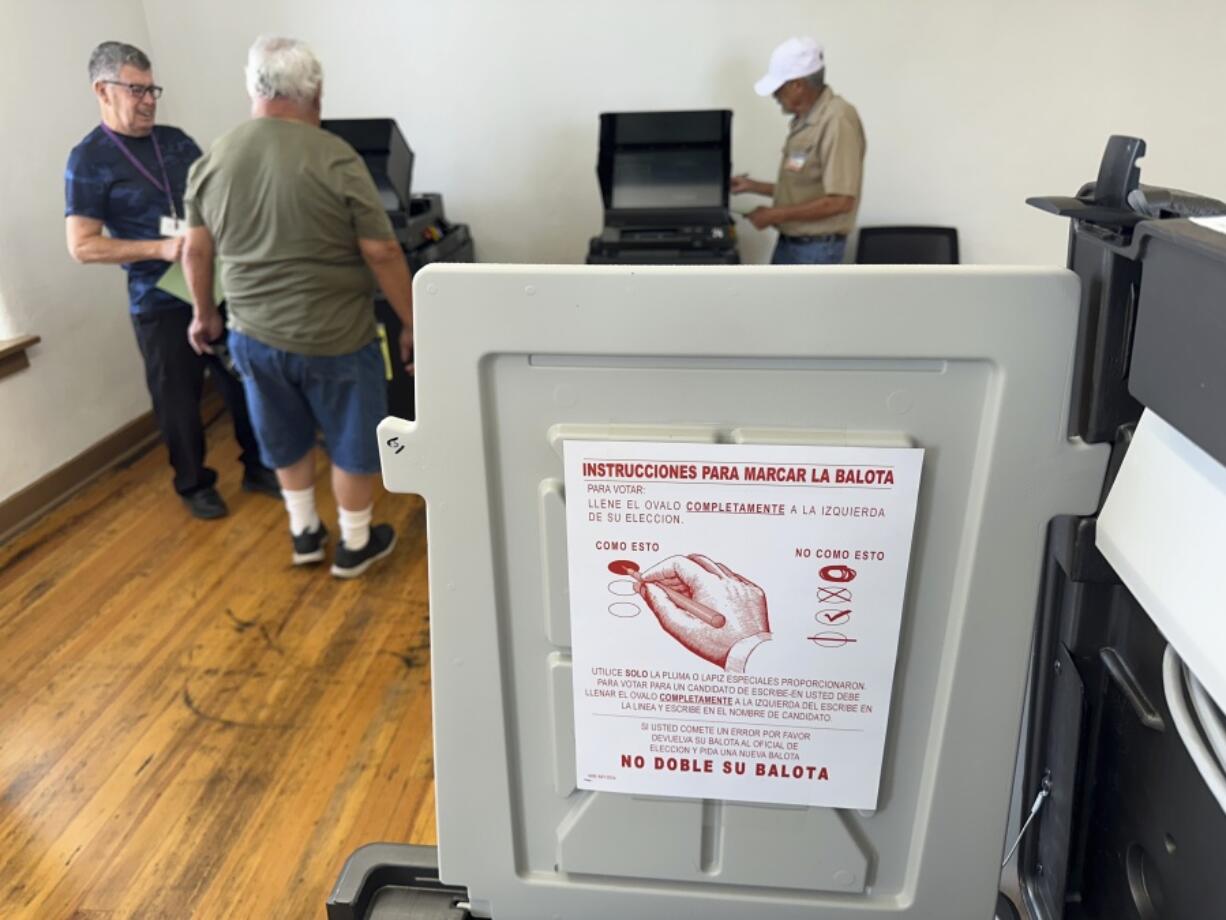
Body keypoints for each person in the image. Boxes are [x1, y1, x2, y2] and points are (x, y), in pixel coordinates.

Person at [184, 36, 415, 579]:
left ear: (253, 88)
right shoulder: (336, 156)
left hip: (253, 338)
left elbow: (195, 249)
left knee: (283, 436)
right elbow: (380, 250)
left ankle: (305, 533)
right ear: (316, 92)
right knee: (352, 441)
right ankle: (356, 543)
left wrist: (203, 314)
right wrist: (412, 324)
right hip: (337, 336)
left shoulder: (214, 158)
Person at [65, 41, 279, 519]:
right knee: (178, 401)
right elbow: (82, 245)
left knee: (243, 380)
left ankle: (259, 465)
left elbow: (217, 200)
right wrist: (158, 248)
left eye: (152, 89)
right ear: (102, 90)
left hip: (213, 282)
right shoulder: (88, 160)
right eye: (136, 90)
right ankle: (194, 483)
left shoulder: (178, 141)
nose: (148, 100)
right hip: (157, 298)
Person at [730, 37, 867, 265]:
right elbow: (807, 190)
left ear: (797, 85)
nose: (775, 96)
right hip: (792, 244)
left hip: (817, 249)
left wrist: (774, 215)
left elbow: (841, 201)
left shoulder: (837, 120)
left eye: (778, 89)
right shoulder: (805, 121)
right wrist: (753, 186)